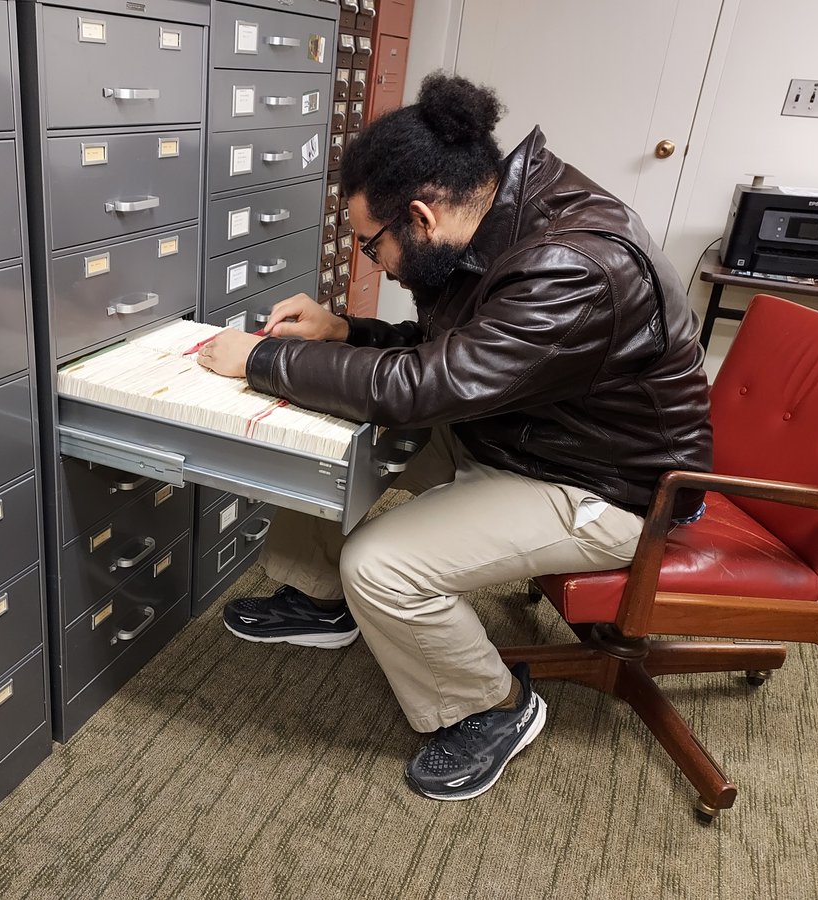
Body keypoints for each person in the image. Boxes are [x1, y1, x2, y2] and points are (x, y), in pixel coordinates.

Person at [195, 73, 712, 801]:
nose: (373, 264)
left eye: (372, 249)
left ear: (419, 216)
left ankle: (493, 706)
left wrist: (262, 359)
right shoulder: (496, 218)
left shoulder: (570, 268)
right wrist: (349, 331)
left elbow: (427, 386)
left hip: (608, 486)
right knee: (325, 433)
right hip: (527, 432)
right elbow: (457, 352)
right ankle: (320, 600)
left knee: (383, 565)